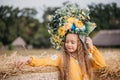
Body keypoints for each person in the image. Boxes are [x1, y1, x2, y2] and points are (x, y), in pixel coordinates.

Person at [15, 3, 106, 80]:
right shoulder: (61, 58)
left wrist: (91, 47)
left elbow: (101, 64)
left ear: (80, 43)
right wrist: (28, 59)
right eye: (67, 42)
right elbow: (44, 61)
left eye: (72, 42)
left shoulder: (87, 58)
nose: (69, 45)